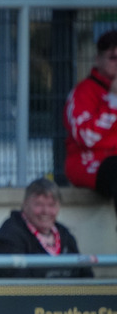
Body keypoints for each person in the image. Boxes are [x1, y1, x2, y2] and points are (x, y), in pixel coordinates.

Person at [0, 177, 93, 278]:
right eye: (39, 204)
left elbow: (85, 274)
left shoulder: (64, 234)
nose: (45, 211)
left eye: (51, 205)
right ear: (25, 205)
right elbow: (14, 283)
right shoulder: (8, 237)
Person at [64, 30, 117, 224]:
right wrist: (113, 99)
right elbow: (86, 138)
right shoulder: (83, 92)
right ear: (98, 59)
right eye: (113, 58)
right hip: (89, 162)